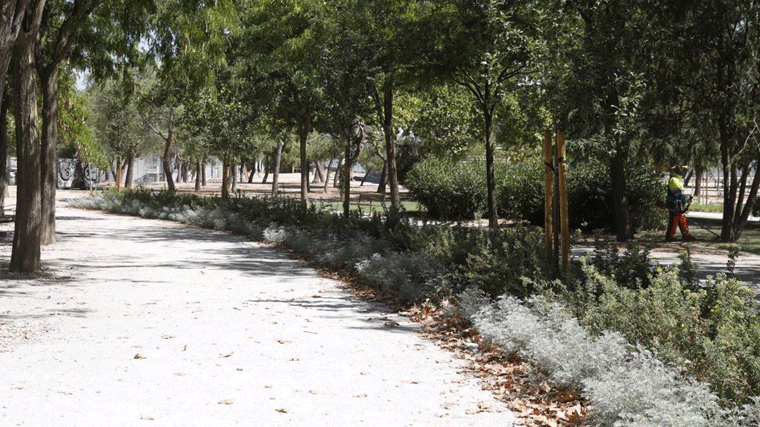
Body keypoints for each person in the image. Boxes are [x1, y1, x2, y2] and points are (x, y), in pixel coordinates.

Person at [665, 165, 694, 241]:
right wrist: (686, 200)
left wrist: (686, 200)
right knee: (674, 219)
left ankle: (685, 235)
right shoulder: (674, 180)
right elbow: (678, 194)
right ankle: (669, 236)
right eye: (683, 171)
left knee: (681, 219)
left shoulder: (678, 180)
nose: (684, 173)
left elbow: (681, 195)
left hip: (678, 203)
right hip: (673, 203)